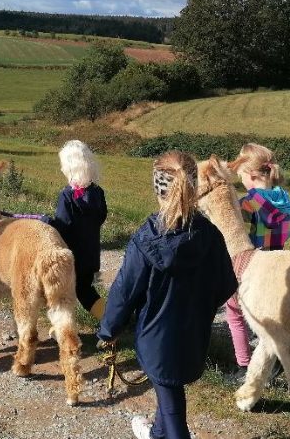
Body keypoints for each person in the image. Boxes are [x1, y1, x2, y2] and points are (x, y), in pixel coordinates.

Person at [98, 151, 236, 439]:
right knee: (168, 386)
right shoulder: (210, 234)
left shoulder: (146, 236)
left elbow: (125, 290)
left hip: (155, 336)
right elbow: (225, 285)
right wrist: (200, 306)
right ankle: (157, 433)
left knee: (172, 402)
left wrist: (109, 328)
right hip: (194, 333)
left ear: (157, 188)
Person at [225, 142, 290, 382]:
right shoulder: (282, 196)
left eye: (241, 176)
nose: (241, 182)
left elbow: (233, 213)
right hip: (278, 259)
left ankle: (245, 365)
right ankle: (277, 360)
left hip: (255, 262)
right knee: (273, 315)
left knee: (234, 310)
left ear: (252, 175)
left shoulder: (254, 199)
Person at [46, 140, 108, 320]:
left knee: (66, 292)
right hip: (91, 256)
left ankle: (109, 321)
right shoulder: (98, 192)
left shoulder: (67, 195)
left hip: (72, 257)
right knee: (84, 289)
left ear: (69, 167)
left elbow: (62, 226)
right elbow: (101, 217)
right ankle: (109, 318)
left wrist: (46, 221)